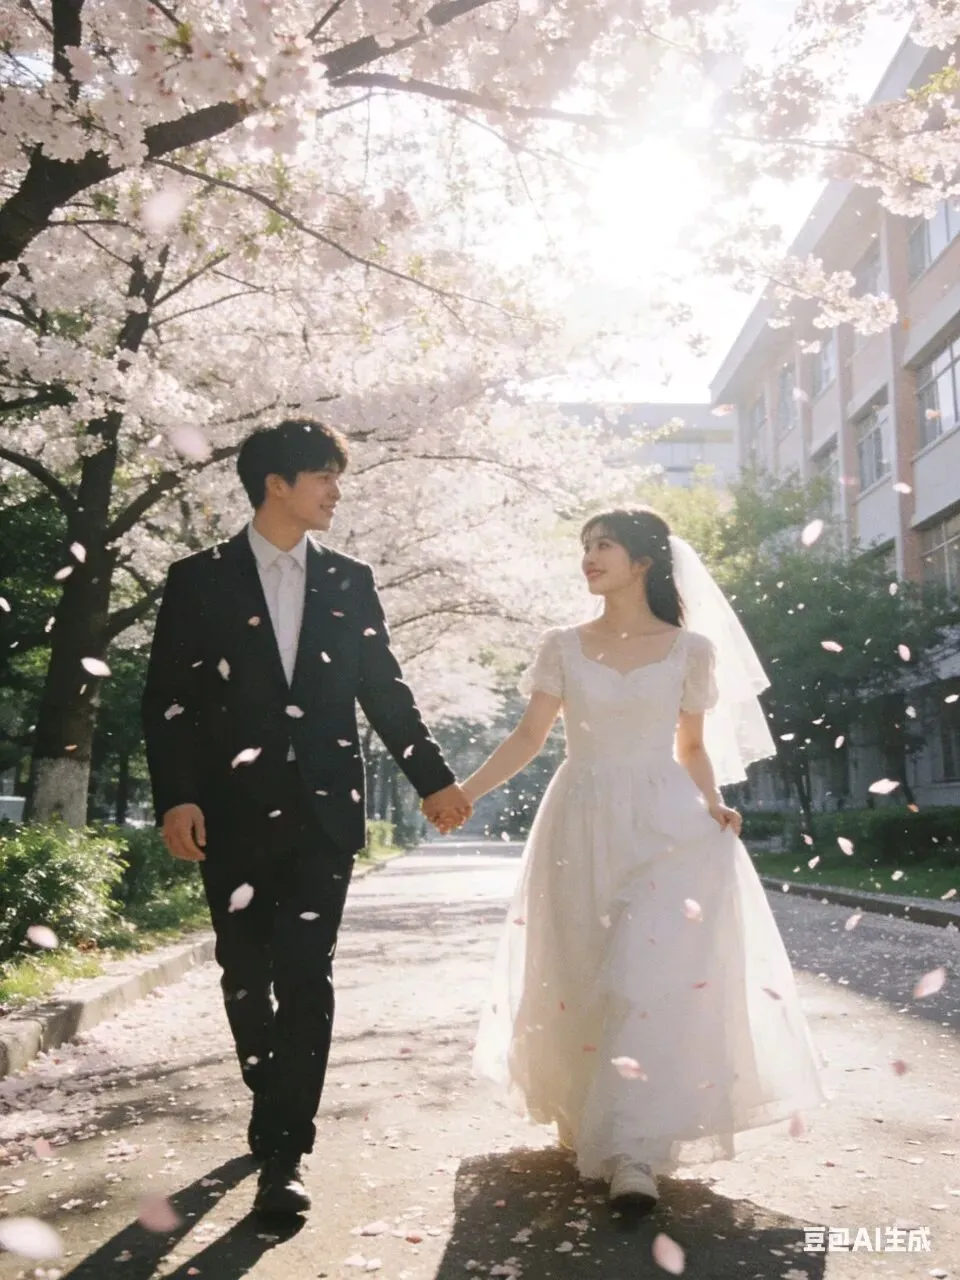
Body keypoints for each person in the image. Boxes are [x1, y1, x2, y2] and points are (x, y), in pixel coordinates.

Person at [142, 419, 470, 1217]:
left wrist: (433, 781)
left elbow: (384, 689)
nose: (336, 491)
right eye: (323, 476)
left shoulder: (350, 581)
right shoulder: (199, 579)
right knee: (244, 975)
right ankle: (274, 1095)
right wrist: (177, 796)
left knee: (304, 973)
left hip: (325, 814)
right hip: (230, 814)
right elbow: (169, 700)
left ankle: (284, 1151)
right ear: (276, 484)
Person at [464, 507, 825, 1214]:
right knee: (582, 970)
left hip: (666, 824)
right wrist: (464, 793)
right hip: (579, 821)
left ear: (644, 562)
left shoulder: (690, 650)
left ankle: (632, 1151)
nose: (589, 557)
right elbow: (530, 736)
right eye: (585, 546)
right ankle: (592, 1115)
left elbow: (691, 747)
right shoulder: (562, 645)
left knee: (643, 977)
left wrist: (713, 803)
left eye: (604, 546)